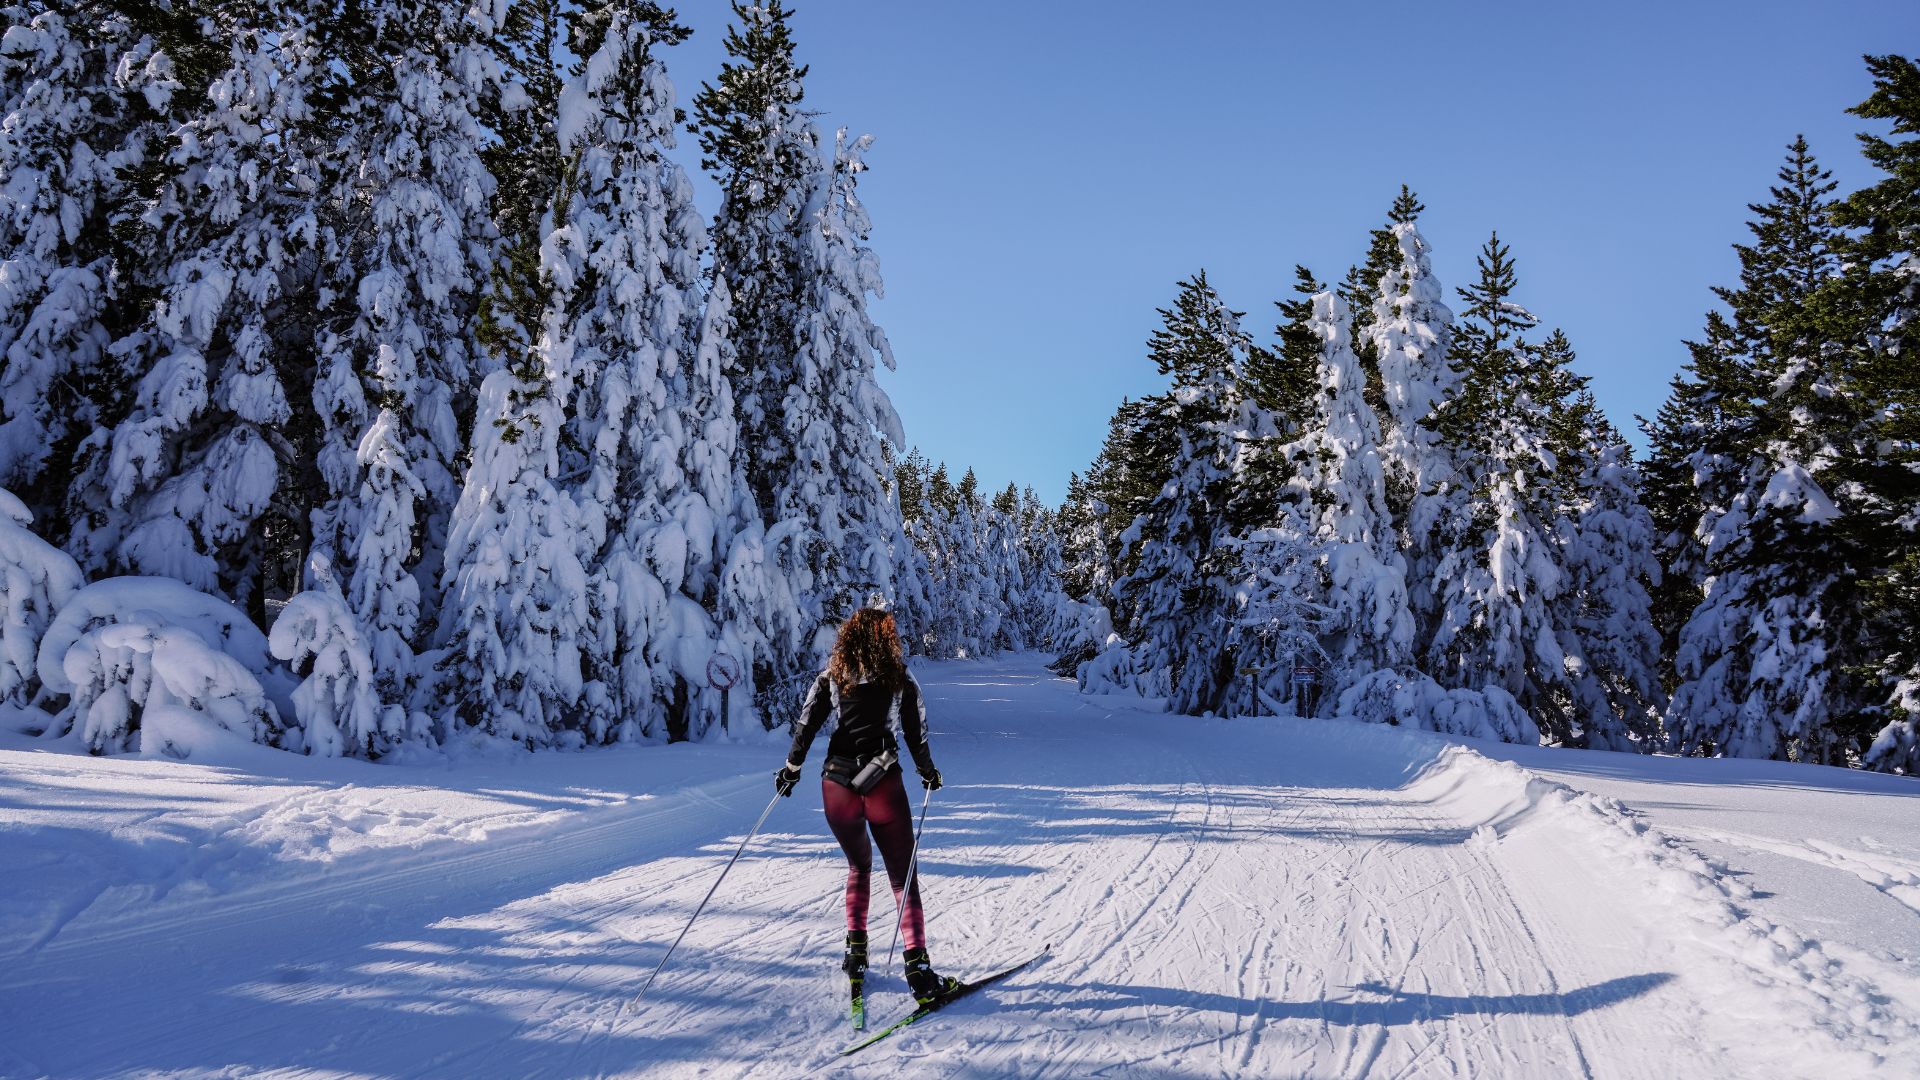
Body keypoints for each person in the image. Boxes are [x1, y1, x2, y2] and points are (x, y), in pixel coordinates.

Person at [775, 608, 955, 1005]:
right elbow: (916, 732)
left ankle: (856, 954)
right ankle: (919, 971)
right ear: (887, 640)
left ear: (848, 639)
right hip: (881, 780)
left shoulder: (831, 677)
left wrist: (791, 769)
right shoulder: (899, 678)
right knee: (902, 875)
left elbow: (806, 725)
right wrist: (928, 772)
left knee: (858, 866)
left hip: (836, 784)